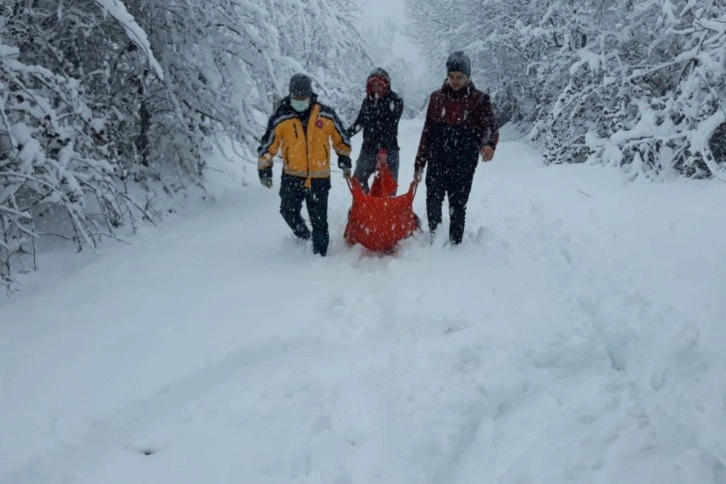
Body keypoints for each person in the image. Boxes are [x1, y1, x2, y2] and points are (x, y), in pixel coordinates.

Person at [258, 73, 352, 257]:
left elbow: (342, 139)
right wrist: (264, 169)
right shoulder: (281, 117)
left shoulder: (325, 114)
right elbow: (268, 145)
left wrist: (344, 159)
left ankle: (320, 257)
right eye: (296, 96)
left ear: (310, 95)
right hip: (292, 177)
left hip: (319, 178)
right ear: (291, 95)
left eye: (304, 96)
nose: (300, 100)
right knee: (287, 211)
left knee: (319, 221)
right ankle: (303, 236)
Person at [413, 51, 499, 245]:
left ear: (468, 76)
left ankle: (455, 244)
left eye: (460, 77)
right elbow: (427, 132)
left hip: (464, 161)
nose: (455, 81)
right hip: (437, 157)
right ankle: (435, 238)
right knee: (433, 199)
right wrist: (419, 163)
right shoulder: (437, 98)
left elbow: (490, 127)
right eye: (451, 76)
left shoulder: (479, 100)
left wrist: (488, 144)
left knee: (458, 203)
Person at [347, 68, 404, 193]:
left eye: (380, 85)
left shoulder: (396, 100)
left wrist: (383, 150)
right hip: (368, 148)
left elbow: (391, 128)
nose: (376, 88)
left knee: (388, 188)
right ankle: (364, 208)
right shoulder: (367, 101)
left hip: (390, 150)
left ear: (386, 85)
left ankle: (384, 211)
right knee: (358, 181)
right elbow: (359, 122)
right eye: (373, 85)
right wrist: (344, 135)